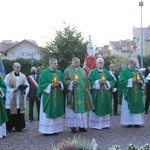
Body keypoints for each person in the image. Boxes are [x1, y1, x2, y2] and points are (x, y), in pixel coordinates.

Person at [63, 57, 94, 133]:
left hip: (82, 94)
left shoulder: (82, 71)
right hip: (73, 94)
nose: (77, 64)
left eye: (78, 62)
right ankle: (73, 126)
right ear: (72, 62)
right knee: (72, 111)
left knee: (82, 111)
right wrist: (71, 83)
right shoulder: (67, 71)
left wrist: (87, 91)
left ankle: (82, 126)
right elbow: (65, 80)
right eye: (75, 62)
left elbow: (86, 82)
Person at [37, 58, 64, 135]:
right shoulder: (44, 73)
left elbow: (62, 83)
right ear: (50, 64)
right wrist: (50, 85)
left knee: (57, 111)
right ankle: (46, 130)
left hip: (57, 96)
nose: (56, 65)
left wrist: (59, 84)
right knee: (47, 112)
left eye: (57, 63)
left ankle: (55, 129)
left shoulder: (59, 73)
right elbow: (41, 84)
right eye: (55, 63)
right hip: (48, 96)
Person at [88, 58, 115, 130]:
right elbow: (89, 82)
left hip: (105, 94)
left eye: (102, 63)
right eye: (99, 63)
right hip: (96, 94)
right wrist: (97, 82)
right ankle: (95, 125)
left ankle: (105, 124)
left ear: (103, 64)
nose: (100, 64)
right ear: (96, 64)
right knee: (96, 106)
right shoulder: (93, 73)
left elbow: (112, 80)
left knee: (105, 106)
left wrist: (107, 82)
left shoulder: (107, 72)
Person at [118, 58, 144, 128]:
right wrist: (131, 80)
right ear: (130, 63)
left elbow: (142, 80)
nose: (135, 66)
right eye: (134, 64)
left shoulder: (137, 71)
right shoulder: (124, 71)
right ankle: (128, 122)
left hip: (136, 93)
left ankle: (137, 122)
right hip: (128, 92)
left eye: (136, 64)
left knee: (137, 106)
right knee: (127, 107)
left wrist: (140, 82)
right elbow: (121, 81)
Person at [4, 62, 29, 132]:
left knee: (19, 112)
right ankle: (10, 127)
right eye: (17, 67)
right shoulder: (8, 76)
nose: (18, 68)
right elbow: (5, 86)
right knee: (11, 112)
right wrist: (13, 90)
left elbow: (27, 85)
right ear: (13, 67)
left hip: (20, 97)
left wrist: (24, 90)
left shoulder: (23, 76)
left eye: (19, 67)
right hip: (12, 97)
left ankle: (19, 126)